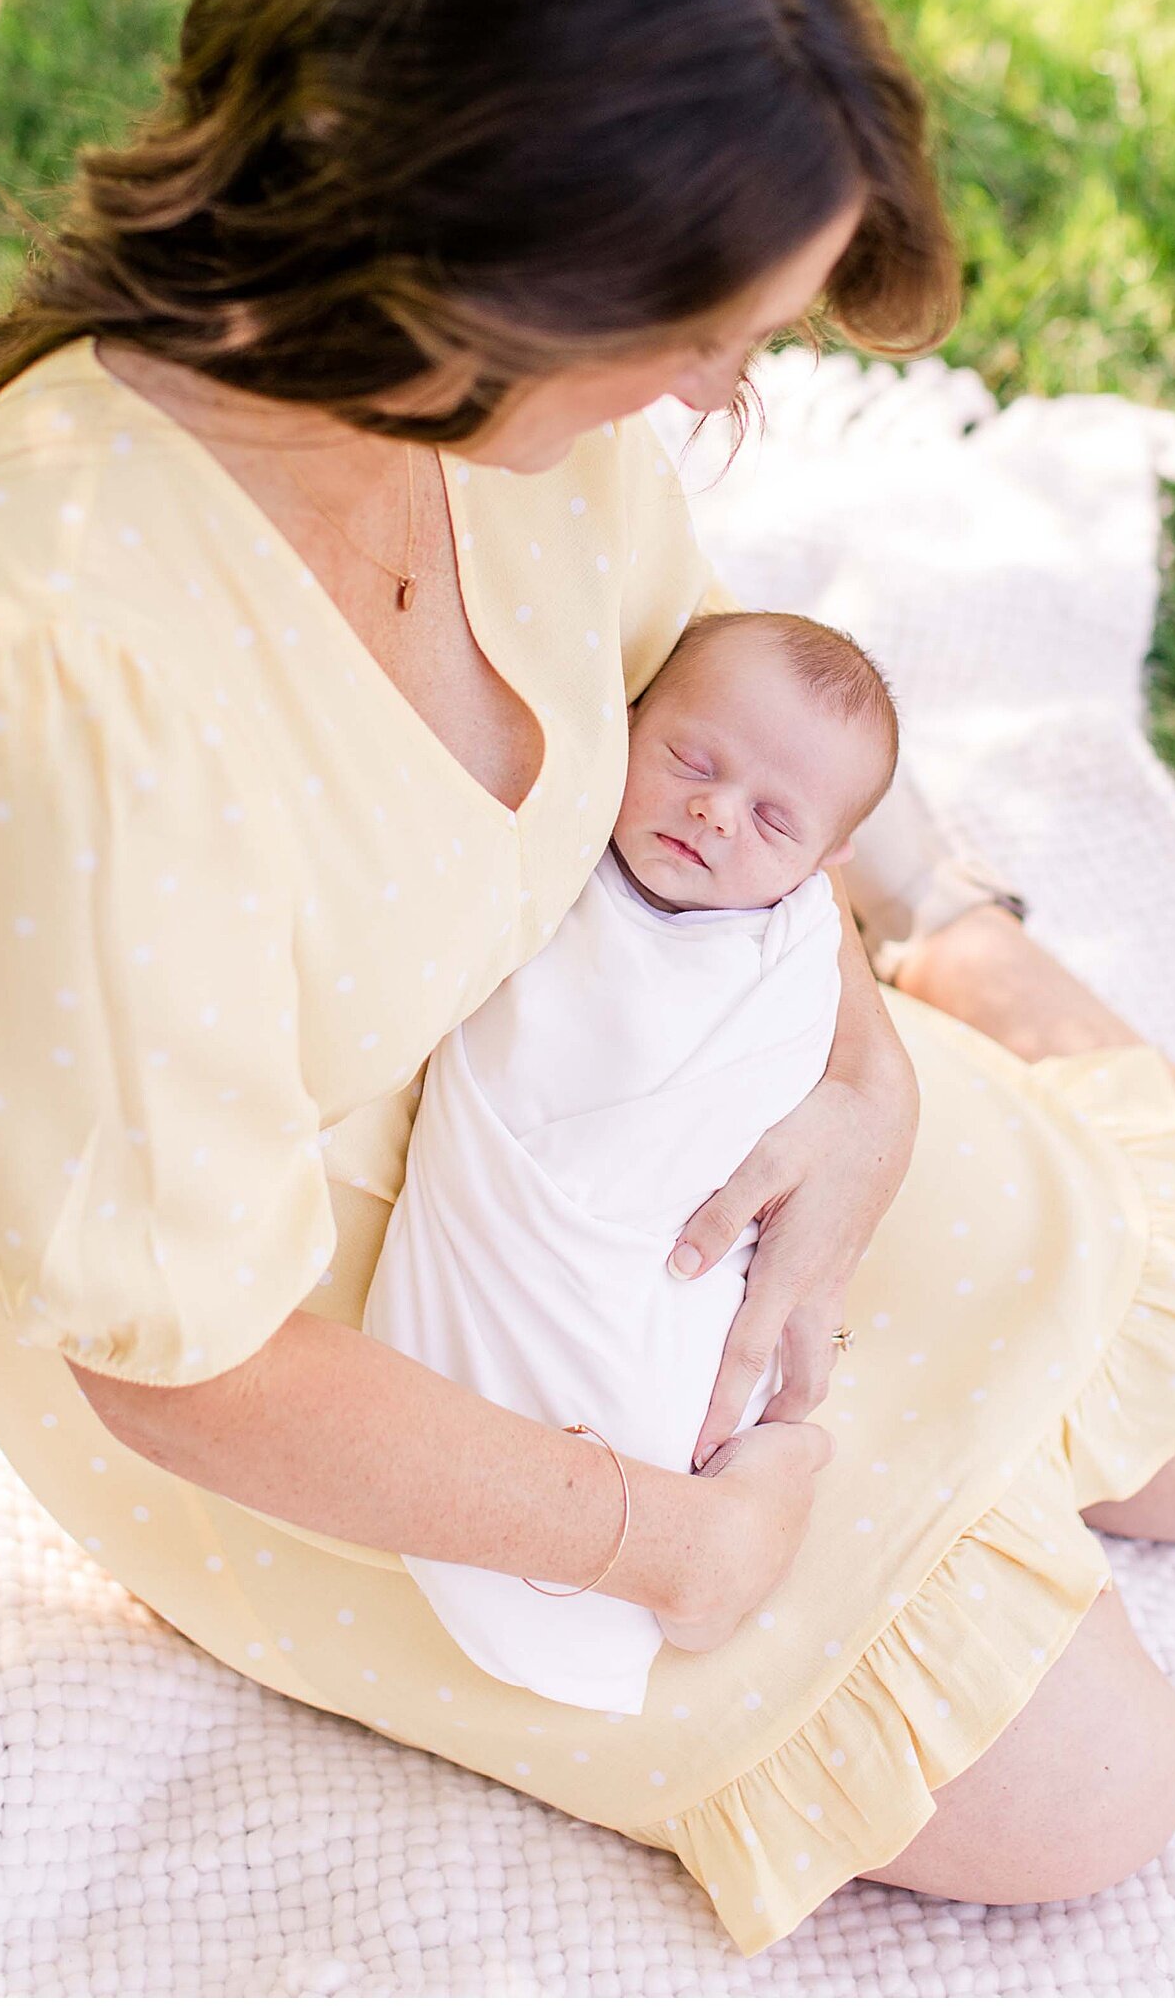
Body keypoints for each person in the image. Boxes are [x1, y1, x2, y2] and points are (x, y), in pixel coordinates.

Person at [0, 0, 1175, 1957]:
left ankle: (966, 946)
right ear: (485, 279)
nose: (729, 395)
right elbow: (178, 1354)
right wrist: (662, 1548)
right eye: (712, 340)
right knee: (1101, 1793)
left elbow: (687, 714)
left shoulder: (512, 429)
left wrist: (856, 1094)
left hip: (636, 1027)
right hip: (352, 1324)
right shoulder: (55, 685)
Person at [365, 608, 899, 1714]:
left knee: (693, 1402)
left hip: (662, 1257)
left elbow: (778, 1116)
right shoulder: (560, 856)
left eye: (774, 820)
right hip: (516, 1217)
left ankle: (745, 1486)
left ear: (825, 866)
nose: (713, 811)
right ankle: (656, 1530)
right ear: (630, 717)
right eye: (691, 760)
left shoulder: (787, 948)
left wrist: (872, 1109)